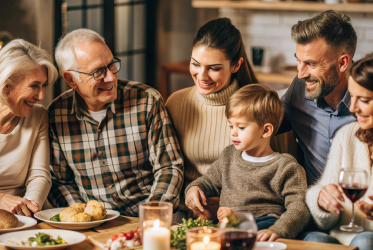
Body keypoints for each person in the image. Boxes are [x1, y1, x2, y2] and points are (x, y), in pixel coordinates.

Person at [48, 29, 183, 216]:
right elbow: (60, 182)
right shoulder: (56, 114)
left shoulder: (147, 100)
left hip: (148, 216)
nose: (111, 77)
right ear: (71, 79)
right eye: (98, 72)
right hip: (95, 224)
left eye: (112, 65)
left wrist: (153, 214)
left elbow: (168, 167)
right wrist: (83, 217)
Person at [185, 84, 310, 241]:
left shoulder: (285, 166)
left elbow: (299, 208)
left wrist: (278, 230)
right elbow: (208, 181)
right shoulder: (228, 156)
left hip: (266, 226)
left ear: (266, 131)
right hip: (227, 227)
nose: (233, 132)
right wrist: (194, 188)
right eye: (231, 125)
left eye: (241, 127)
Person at [165, 17, 257, 216]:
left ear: (236, 65)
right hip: (186, 212)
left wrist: (229, 206)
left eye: (214, 68)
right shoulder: (176, 104)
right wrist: (190, 201)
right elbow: (166, 170)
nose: (202, 76)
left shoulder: (258, 108)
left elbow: (279, 174)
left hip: (243, 215)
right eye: (195, 64)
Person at [279, 10, 357, 186]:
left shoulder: (367, 100)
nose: (300, 74)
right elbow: (263, 123)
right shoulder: (299, 89)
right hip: (310, 208)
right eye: (298, 61)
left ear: (343, 63)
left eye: (311, 64)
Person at [304, 54, 373, 250]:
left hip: (367, 240)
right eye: (352, 97)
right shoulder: (347, 135)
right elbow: (325, 195)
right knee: (312, 239)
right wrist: (322, 200)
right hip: (341, 237)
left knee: (365, 241)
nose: (352, 108)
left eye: (365, 100)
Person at [0, 39, 58, 216]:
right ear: (7, 87)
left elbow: (40, 174)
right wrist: (1, 200)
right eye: (34, 86)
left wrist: (29, 208)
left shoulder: (38, 115)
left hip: (27, 214)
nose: (41, 96)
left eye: (44, 86)